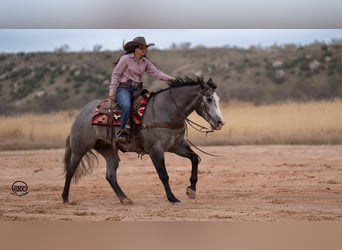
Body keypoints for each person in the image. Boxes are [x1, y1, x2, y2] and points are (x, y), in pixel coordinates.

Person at [108, 36, 175, 143]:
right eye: (142, 48)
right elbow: (116, 74)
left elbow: (156, 73)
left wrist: (170, 78)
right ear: (135, 49)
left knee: (149, 105)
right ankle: (122, 131)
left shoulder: (145, 62)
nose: (144, 50)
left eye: (145, 48)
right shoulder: (125, 59)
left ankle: (143, 131)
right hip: (124, 89)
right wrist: (112, 91)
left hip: (137, 90)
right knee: (126, 106)